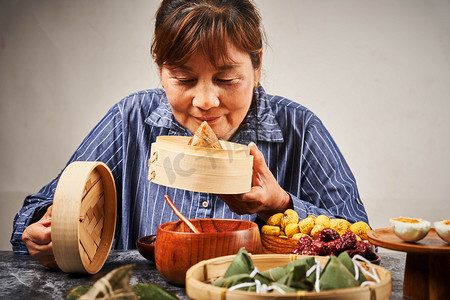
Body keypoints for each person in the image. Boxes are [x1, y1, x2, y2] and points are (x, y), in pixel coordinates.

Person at [11, 0, 369, 269]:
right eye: (183, 79)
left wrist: (280, 205)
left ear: (257, 65)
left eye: (227, 80)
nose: (205, 101)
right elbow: (31, 217)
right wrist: (44, 229)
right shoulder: (130, 119)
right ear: (161, 69)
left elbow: (364, 247)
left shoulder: (300, 129)